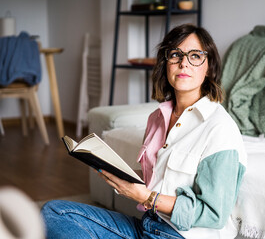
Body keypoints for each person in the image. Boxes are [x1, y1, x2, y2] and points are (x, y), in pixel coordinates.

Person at [41, 24, 247, 239]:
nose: (184, 62)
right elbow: (158, 176)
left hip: (181, 235)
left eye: (195, 56)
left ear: (209, 67)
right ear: (165, 64)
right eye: (175, 54)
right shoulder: (156, 118)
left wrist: (148, 198)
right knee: (54, 213)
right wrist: (118, 174)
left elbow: (213, 214)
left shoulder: (220, 128)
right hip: (148, 227)